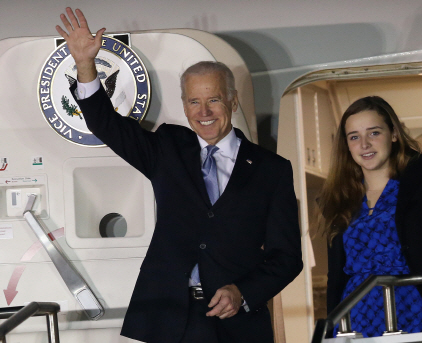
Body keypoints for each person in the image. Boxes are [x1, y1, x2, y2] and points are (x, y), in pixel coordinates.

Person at [56, 7, 303, 343]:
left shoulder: (271, 169)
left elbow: (286, 257)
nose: (203, 112)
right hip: (169, 319)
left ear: (231, 101)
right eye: (193, 102)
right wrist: (85, 65)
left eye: (213, 99)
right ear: (184, 105)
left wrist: (243, 293)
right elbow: (106, 125)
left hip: (236, 325)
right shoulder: (168, 148)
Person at [318, 87, 422, 337]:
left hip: (417, 304)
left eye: (374, 133)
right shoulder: (339, 196)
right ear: (346, 145)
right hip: (357, 313)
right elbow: (336, 276)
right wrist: (329, 327)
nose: (364, 144)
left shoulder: (419, 175)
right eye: (354, 137)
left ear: (394, 134)